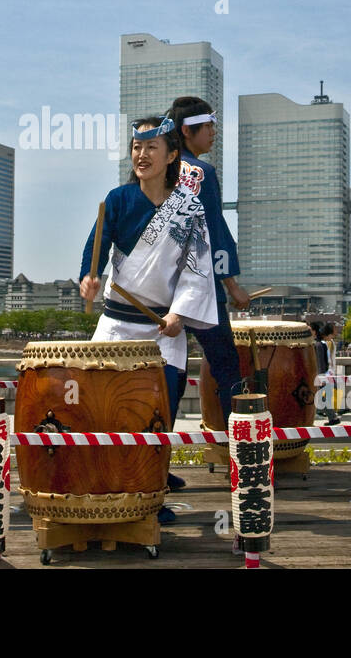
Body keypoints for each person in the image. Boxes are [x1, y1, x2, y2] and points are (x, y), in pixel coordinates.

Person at [79, 115, 218, 523]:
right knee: (107, 409)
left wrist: (180, 313)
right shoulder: (118, 199)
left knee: (159, 413)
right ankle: (106, 487)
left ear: (172, 154)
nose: (142, 154)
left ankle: (147, 493)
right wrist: (88, 279)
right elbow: (96, 248)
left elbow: (197, 269)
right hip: (117, 325)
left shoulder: (189, 208)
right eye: (137, 147)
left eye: (151, 147)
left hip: (163, 328)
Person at [166, 97, 250, 437]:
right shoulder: (202, 173)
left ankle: (156, 457)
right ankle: (241, 452)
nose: (214, 132)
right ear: (188, 130)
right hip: (199, 288)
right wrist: (232, 286)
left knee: (169, 368)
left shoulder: (160, 167)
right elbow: (213, 233)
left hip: (160, 287)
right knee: (227, 367)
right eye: (209, 126)